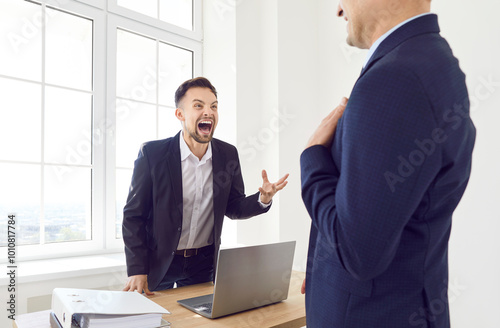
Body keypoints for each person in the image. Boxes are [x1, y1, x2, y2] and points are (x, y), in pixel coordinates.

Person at [300, 0, 475, 327]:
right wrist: (326, 271)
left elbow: (357, 253)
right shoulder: (434, 62)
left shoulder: (396, 79)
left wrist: (311, 158)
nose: (339, 10)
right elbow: (385, 218)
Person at [122, 77, 288, 294]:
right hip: (158, 262)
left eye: (214, 106)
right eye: (198, 105)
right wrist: (137, 269)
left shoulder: (228, 154)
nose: (208, 112)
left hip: (203, 264)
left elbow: (234, 207)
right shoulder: (153, 155)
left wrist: (262, 200)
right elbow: (133, 216)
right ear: (180, 114)